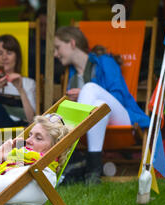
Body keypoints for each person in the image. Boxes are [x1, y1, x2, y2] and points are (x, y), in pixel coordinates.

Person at [54, 26, 149, 183]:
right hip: (95, 125)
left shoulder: (105, 61)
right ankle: (93, 173)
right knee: (98, 104)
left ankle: (73, 158)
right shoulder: (71, 75)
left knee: (90, 88)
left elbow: (119, 97)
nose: (55, 54)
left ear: (72, 43)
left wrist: (84, 93)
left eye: (58, 48)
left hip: (122, 118)